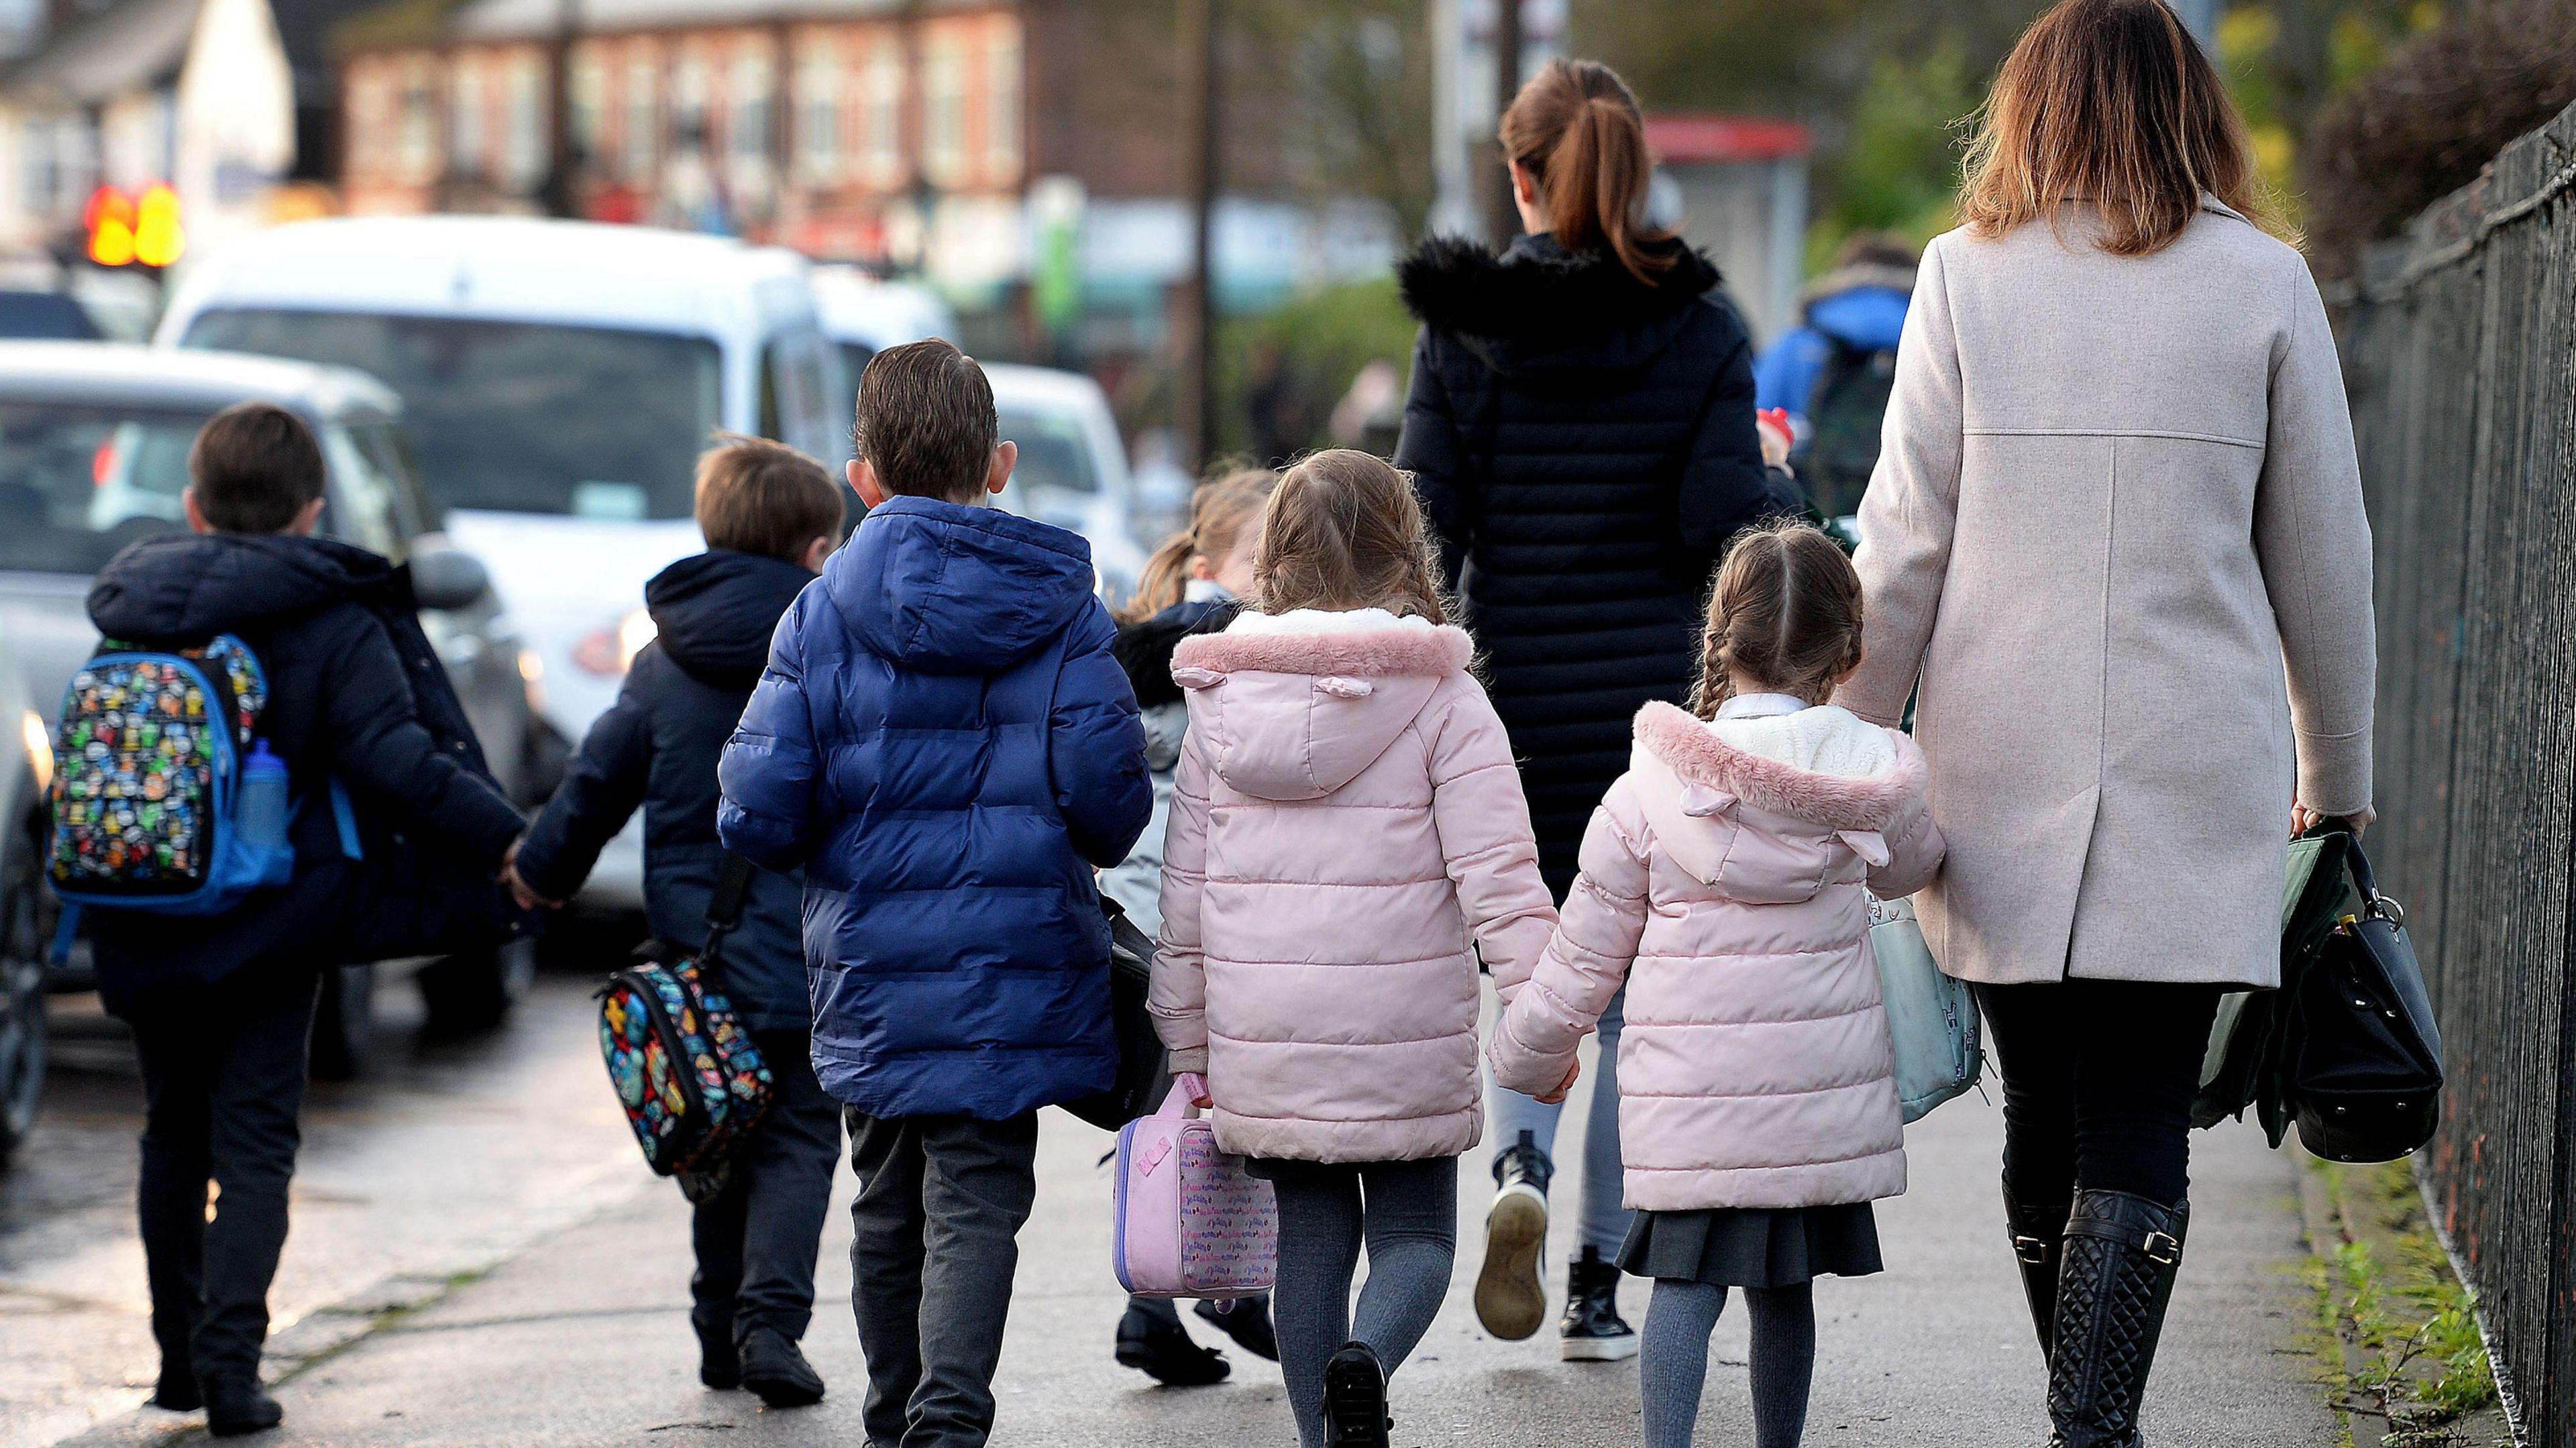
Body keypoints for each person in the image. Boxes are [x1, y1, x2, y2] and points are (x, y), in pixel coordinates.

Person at [1835, 4, 2377, 1444]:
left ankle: (2085, 1414)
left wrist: (1837, 743)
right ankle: (2095, 1423)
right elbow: (2323, 558)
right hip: (2192, 764)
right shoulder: (2266, 282)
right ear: (2196, 111)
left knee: (2041, 1111)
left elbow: (1900, 549)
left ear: (2032, 111)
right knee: (2140, 1105)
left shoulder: (1964, 278)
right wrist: (2337, 779)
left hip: (1994, 758)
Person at [1393, 55, 1804, 1361]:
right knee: (1637, 1006)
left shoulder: (1461, 326)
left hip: (1511, 713)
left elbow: (1424, 521)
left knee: (1538, 963)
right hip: (1652, 718)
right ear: (1640, 175)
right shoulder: (1701, 328)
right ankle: (1594, 1282)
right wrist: (1778, 482)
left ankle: (1520, 1157)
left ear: (1519, 176)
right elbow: (1716, 522)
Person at [716, 339, 1152, 1448]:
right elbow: (1111, 802)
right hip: (1016, 965)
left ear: (860, 476)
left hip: (870, 964)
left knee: (885, 1199)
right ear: (999, 463)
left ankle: (892, 1408)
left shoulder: (817, 617)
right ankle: (948, 1415)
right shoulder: (1061, 608)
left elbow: (760, 811)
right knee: (977, 1199)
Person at [84, 402, 527, 1436]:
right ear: (313, 510)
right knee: (252, 1142)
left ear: (193, 505)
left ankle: (177, 1360)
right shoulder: (331, 617)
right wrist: (509, 839)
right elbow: (398, 761)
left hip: (144, 904)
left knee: (169, 1131)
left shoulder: (133, 607)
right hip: (272, 917)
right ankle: (231, 1366)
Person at [1492, 522, 1943, 1448]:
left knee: (1683, 1294)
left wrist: (1527, 1054)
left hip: (1689, 1103)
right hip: (1813, 1101)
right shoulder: (1865, 777)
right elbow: (1916, 866)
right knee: (1785, 1295)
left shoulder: (1647, 789)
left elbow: (1584, 954)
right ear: (1849, 651)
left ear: (1718, 640)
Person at [1148, 450, 1556, 1448]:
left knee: (1311, 1251)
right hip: (1401, 1031)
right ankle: (1365, 1363)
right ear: (1404, 551)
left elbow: (1185, 892)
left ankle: (1322, 1436)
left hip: (1267, 1034)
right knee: (1417, 1238)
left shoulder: (1222, 704)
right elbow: (1501, 876)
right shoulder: (1443, 695)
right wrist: (1544, 1023)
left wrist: (1187, 1037)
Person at [502, 436, 844, 1409]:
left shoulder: (660, 660)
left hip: (700, 952)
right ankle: (771, 1323)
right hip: (812, 945)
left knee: (719, 1127)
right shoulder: (832, 647)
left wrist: (539, 871)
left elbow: (596, 781)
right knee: (797, 1134)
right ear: (817, 551)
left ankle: (718, 1328)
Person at [1102, 469, 1281, 1387]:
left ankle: (1168, 1299)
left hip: (1141, 905)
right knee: (1205, 1098)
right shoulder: (1219, 645)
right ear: (1209, 566)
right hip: (1181, 912)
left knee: (1174, 1102)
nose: (1272, 578)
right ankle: (1214, 1289)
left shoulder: (1141, 649)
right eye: (1260, 559)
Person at [1752, 232, 1919, 522]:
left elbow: (1754, 426)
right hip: (1903, 513)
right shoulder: (1934, 338)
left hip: (1813, 516)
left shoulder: (1797, 343)